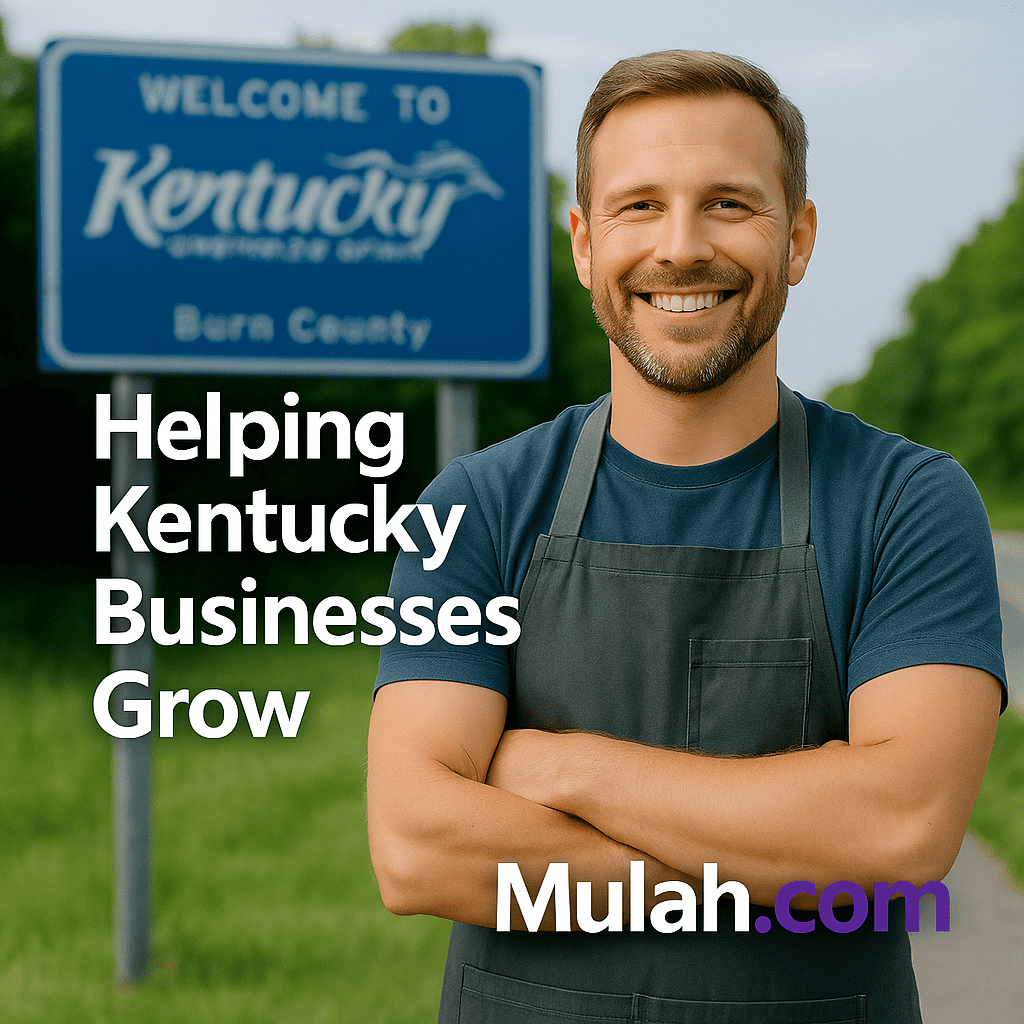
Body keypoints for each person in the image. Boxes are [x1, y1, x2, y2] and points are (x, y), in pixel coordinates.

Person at [366, 49, 1007, 1023]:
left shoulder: (904, 502)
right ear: (583, 243)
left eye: (727, 204)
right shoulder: (481, 502)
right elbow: (418, 846)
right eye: (637, 206)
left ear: (797, 240)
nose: (679, 246)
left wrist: (561, 766)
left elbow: (900, 828)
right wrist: (777, 865)